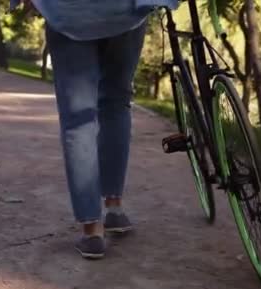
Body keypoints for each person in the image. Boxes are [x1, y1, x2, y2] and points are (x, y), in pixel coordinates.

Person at [10, 0, 178, 259]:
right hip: (125, 12)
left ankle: (92, 231)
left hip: (69, 11)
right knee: (117, 104)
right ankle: (114, 208)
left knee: (78, 118)